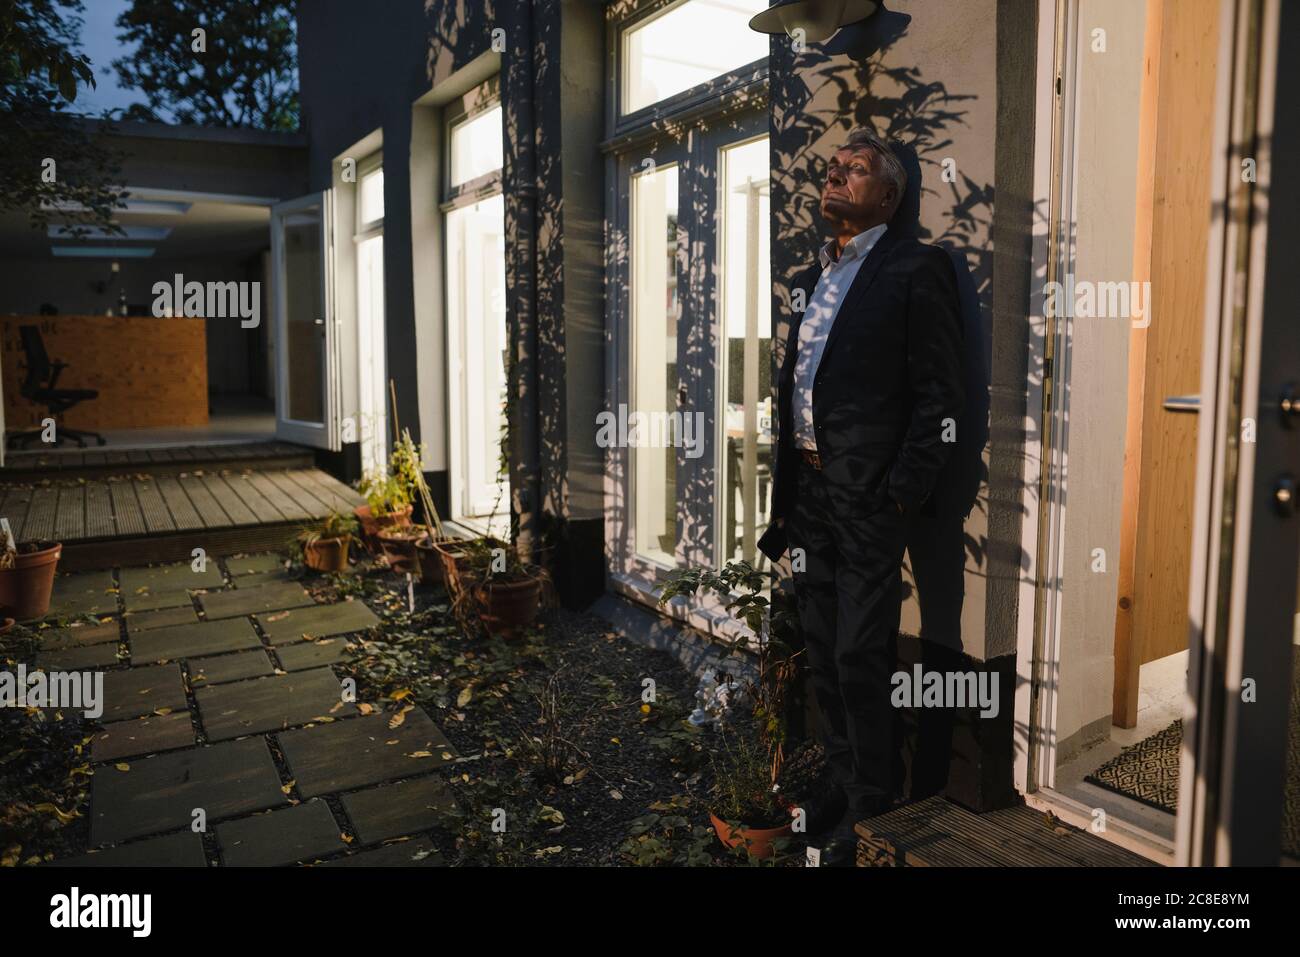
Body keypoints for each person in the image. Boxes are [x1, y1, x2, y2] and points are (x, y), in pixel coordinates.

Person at [758, 127, 965, 866]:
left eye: (857, 169)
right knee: (821, 651)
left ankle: (878, 803)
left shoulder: (916, 268)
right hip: (810, 496)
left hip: (870, 501)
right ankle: (844, 786)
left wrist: (900, 496)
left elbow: (942, 395)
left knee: (860, 655)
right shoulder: (814, 277)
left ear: (889, 196)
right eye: (834, 165)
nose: (837, 174)